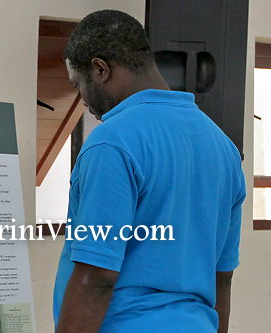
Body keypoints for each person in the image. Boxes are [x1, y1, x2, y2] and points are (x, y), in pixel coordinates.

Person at [53, 10, 245, 333]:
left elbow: (96, 276)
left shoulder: (112, 143)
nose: (82, 99)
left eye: (79, 84)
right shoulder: (223, 147)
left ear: (100, 70)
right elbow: (222, 280)